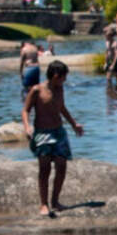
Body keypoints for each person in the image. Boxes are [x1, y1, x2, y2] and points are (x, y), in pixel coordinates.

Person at [23, 60, 85, 217]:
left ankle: (55, 201)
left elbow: (62, 108)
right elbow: (25, 110)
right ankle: (43, 204)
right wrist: (27, 127)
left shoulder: (60, 89)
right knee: (44, 169)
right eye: (64, 77)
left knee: (61, 166)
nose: (65, 80)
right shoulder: (37, 90)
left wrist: (73, 124)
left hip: (59, 132)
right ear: (56, 76)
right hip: (43, 134)